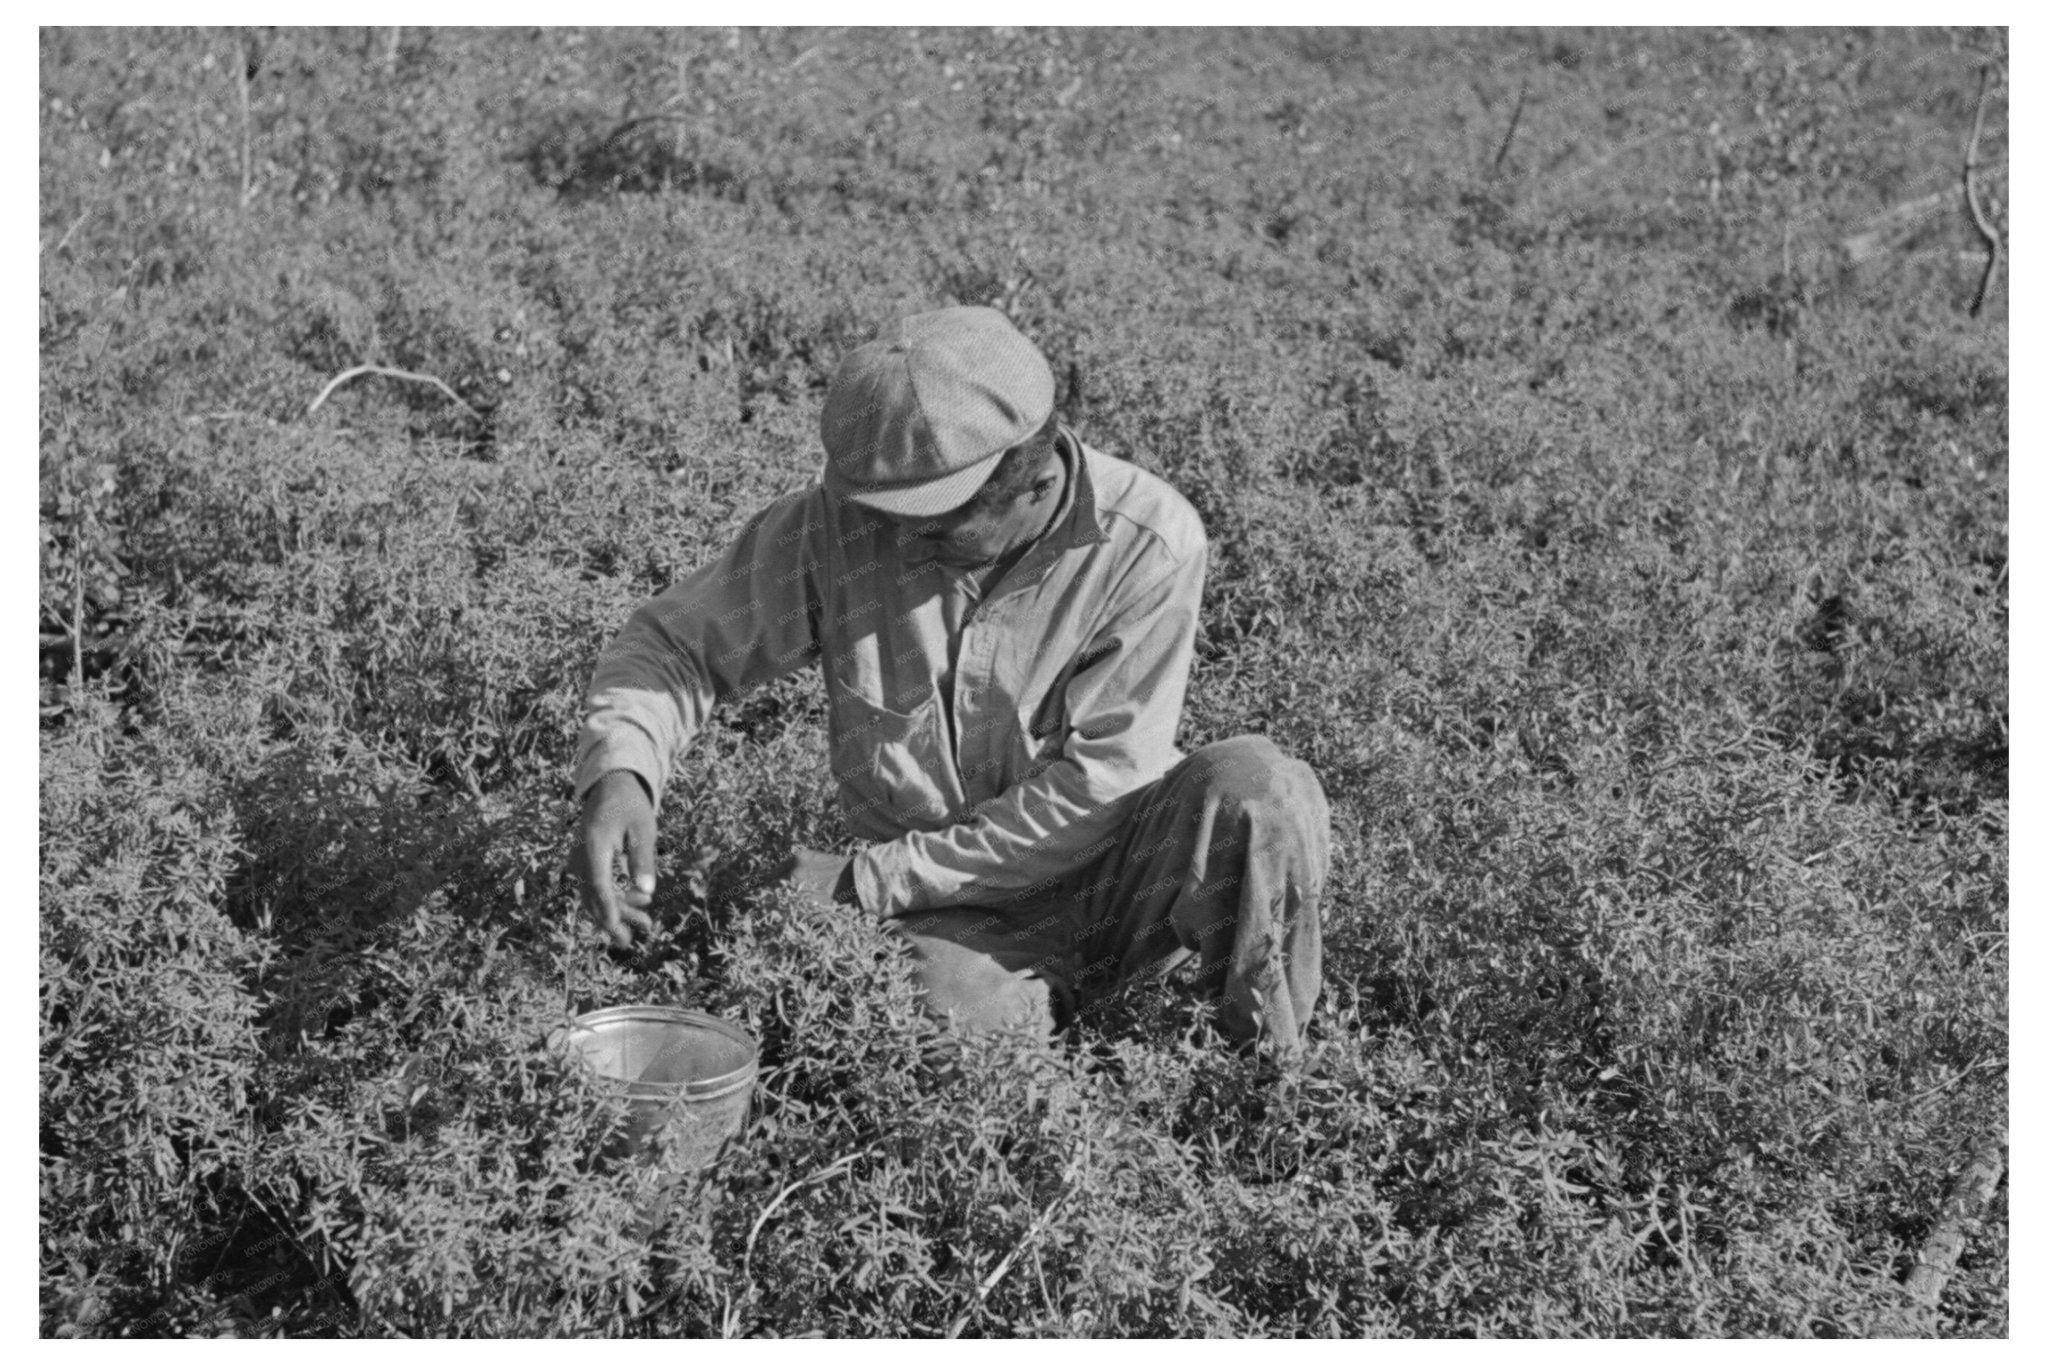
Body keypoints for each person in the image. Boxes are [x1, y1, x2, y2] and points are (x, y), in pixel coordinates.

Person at [571, 306, 1330, 1065]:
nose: (898, 540)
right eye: (884, 514)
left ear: (1034, 479)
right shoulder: (842, 525)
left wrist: (862, 882)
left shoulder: (1149, 542)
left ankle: (1264, 1089)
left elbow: (1102, 788)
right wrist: (622, 771)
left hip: (1120, 870)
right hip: (953, 910)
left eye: (934, 526)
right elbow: (676, 642)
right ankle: (1038, 1040)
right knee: (937, 1020)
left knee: (1262, 789)